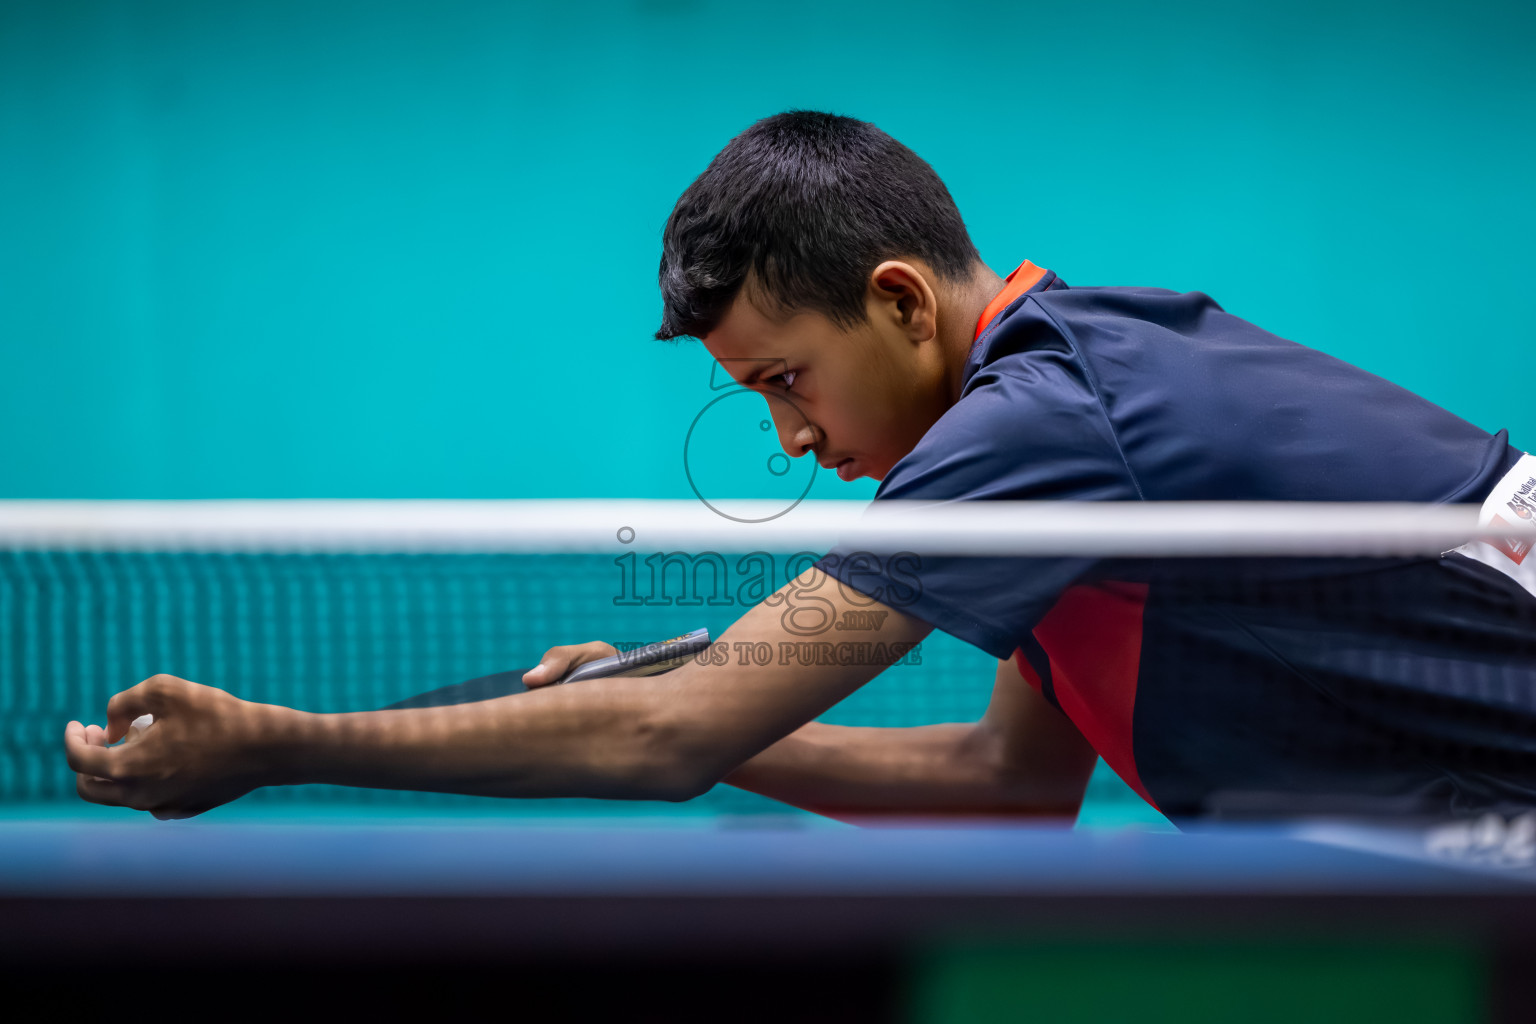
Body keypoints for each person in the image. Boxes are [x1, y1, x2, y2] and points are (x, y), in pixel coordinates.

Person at [64, 111, 1536, 823]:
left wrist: (277, 744)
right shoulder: (1071, 432)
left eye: (787, 380)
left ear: (900, 302)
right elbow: (1006, 783)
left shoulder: (1039, 422)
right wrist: (688, 713)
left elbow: (669, 741)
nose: (791, 442)